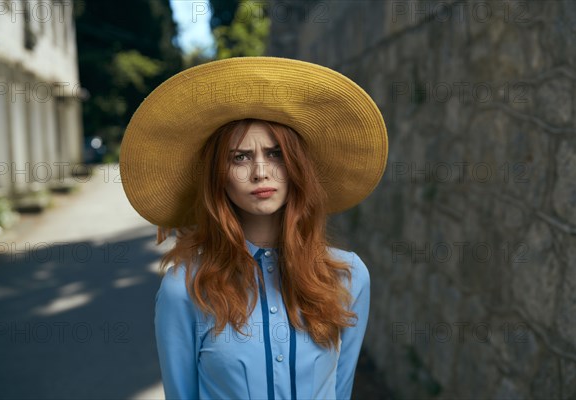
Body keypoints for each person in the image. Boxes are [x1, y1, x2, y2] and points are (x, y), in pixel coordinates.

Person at [120, 57, 388, 400]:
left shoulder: (349, 276)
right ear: (219, 177)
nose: (261, 171)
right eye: (239, 157)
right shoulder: (184, 290)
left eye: (275, 154)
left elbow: (341, 389)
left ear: (297, 168)